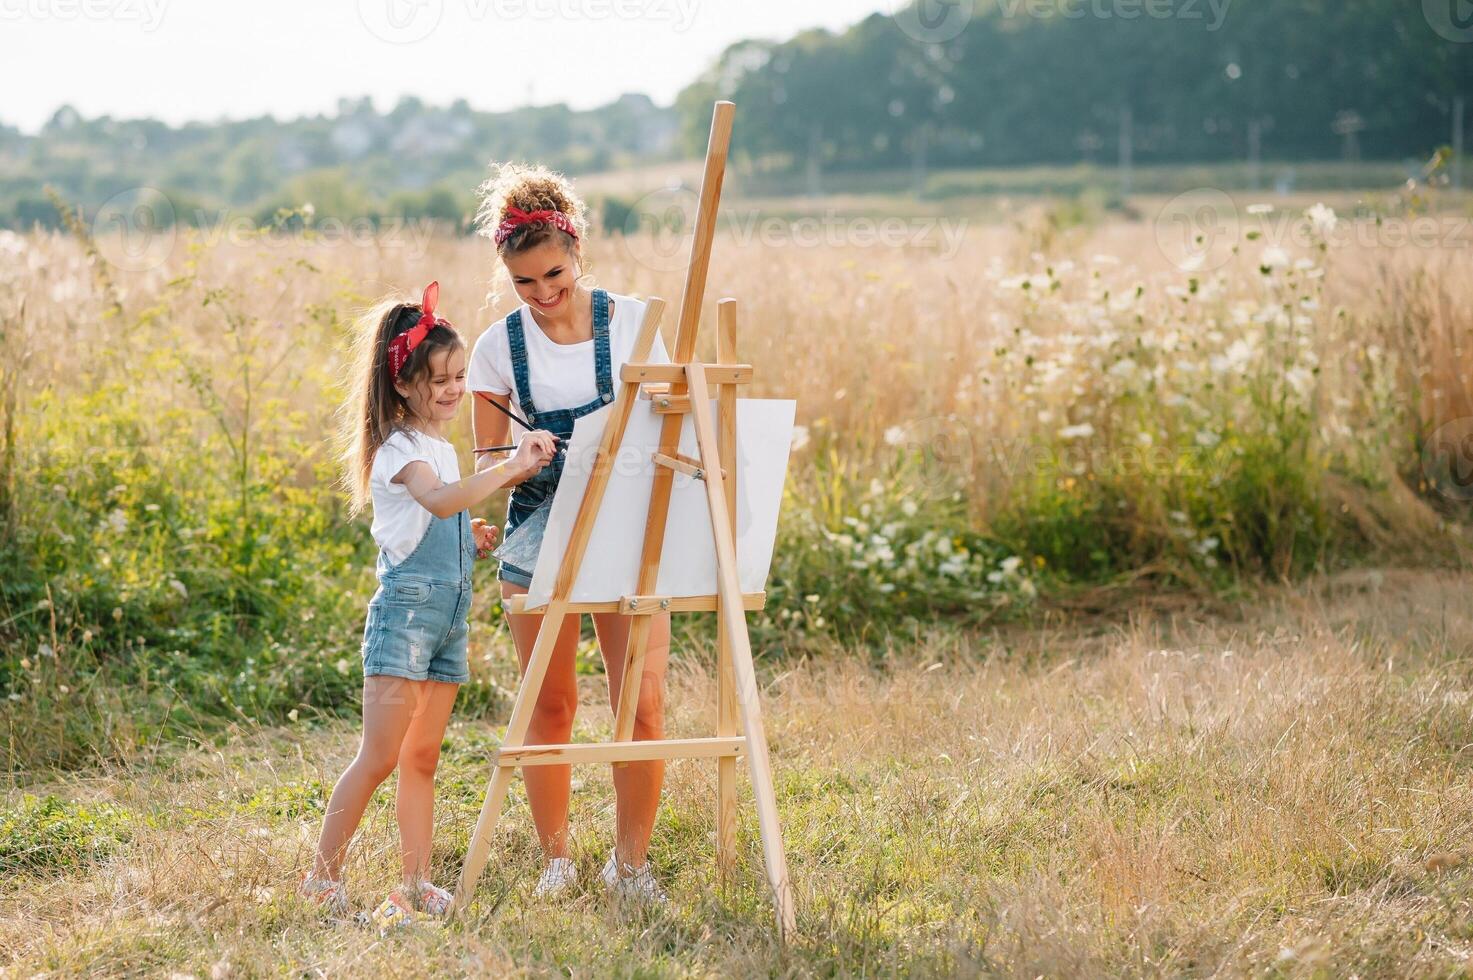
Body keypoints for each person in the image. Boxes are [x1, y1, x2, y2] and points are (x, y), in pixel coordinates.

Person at [299, 282, 558, 922]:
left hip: (446, 623)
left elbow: (439, 516)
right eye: (437, 379)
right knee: (380, 756)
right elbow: (438, 499)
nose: (451, 389)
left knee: (421, 758)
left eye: (460, 376)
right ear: (404, 384)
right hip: (404, 619)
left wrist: (464, 538)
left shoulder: (440, 447)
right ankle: (321, 879)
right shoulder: (399, 448)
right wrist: (511, 470)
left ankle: (414, 883)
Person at [467, 163, 673, 902]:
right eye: (525, 283)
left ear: (577, 251)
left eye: (553, 274)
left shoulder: (637, 323)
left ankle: (630, 866)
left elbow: (674, 428)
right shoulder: (496, 348)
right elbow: (488, 467)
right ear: (508, 281)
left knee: (639, 704)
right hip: (538, 532)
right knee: (548, 704)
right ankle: (556, 860)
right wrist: (520, 461)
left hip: (630, 531)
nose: (544, 293)